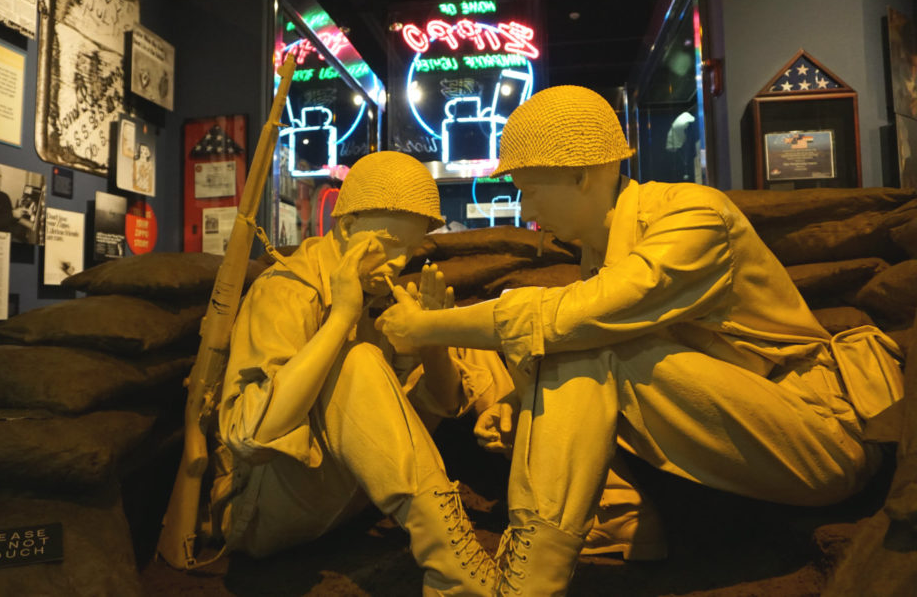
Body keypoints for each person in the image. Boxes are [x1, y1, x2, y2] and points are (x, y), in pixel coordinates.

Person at [375, 86, 905, 595]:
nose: (525, 206)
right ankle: (613, 528)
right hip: (746, 422)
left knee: (583, 342)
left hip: (816, 431)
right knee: (565, 352)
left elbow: (577, 317)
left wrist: (428, 327)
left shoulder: (693, 218)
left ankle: (527, 585)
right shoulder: (599, 250)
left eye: (530, 187)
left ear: (580, 175)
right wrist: (519, 400)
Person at [214, 151, 511, 595]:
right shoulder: (288, 292)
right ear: (347, 225)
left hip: (352, 498)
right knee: (357, 360)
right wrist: (339, 321)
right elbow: (251, 437)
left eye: (408, 251)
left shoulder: (380, 295)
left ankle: (554, 511)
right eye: (388, 243)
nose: (396, 262)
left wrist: (433, 341)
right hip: (266, 510)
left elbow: (442, 405)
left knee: (462, 330)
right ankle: (456, 573)